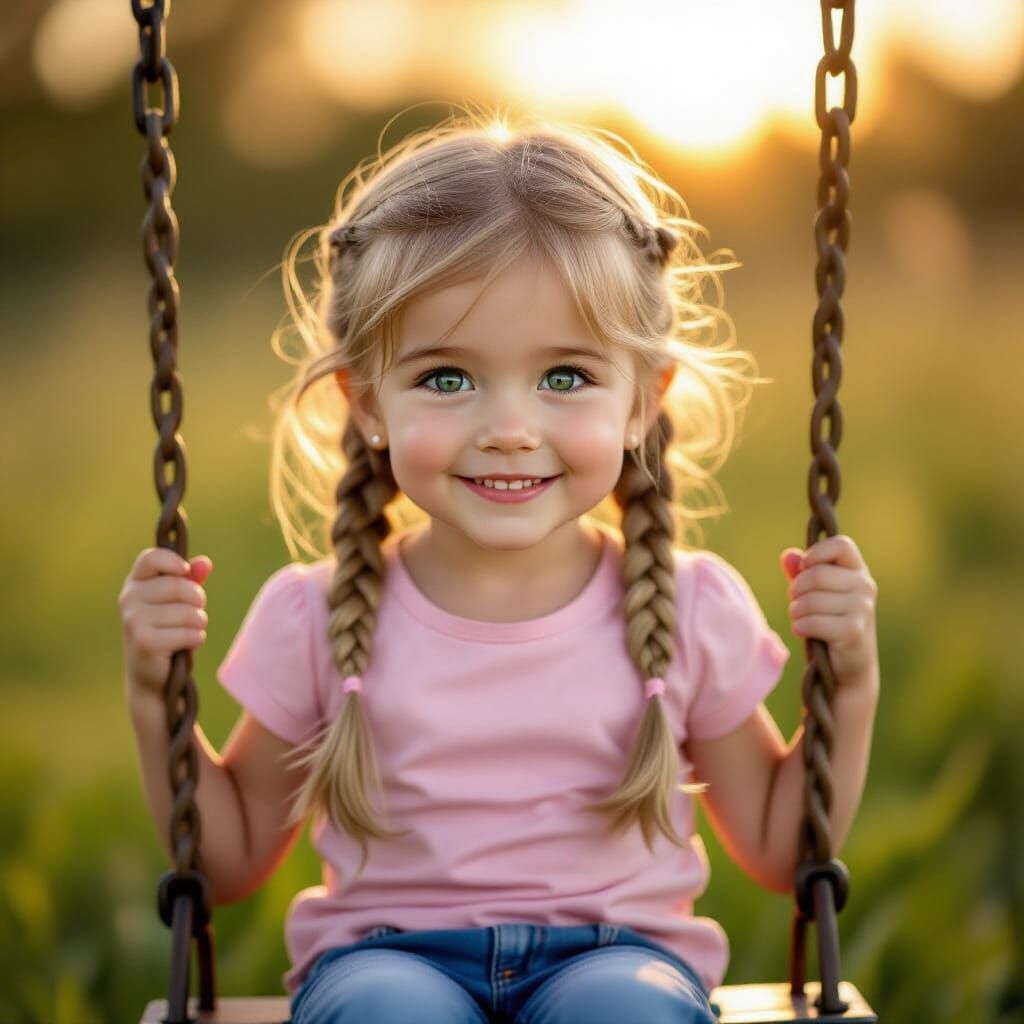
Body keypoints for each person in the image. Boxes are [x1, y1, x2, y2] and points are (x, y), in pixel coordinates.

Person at [119, 112, 879, 1024]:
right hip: (384, 963)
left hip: (620, 961)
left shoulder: (687, 608)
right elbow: (230, 857)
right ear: (366, 404)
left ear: (644, 400)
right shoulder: (312, 618)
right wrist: (154, 688)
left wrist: (851, 674)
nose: (509, 425)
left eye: (565, 377)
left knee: (627, 1013)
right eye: (447, 378)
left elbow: (778, 843)